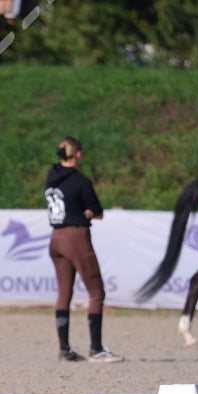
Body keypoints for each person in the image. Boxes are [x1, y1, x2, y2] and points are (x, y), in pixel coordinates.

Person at [44, 136, 124, 363]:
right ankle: (96, 349)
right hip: (76, 237)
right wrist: (87, 212)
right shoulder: (80, 181)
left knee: (64, 294)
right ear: (77, 154)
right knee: (97, 292)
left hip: (56, 238)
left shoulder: (51, 176)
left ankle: (65, 348)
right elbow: (97, 211)